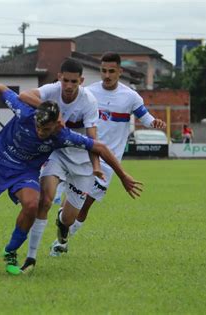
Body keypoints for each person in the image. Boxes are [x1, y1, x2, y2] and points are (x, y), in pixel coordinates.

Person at [0, 81, 143, 275]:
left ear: (56, 126)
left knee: (33, 205)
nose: (41, 132)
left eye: (46, 129)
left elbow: (99, 147)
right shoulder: (23, 112)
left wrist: (122, 175)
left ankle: (10, 251)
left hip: (25, 171)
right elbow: (1, 88)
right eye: (39, 127)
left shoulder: (62, 136)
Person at [21, 52, 166, 271]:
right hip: (76, 151)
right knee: (47, 198)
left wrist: (155, 123)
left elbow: (145, 117)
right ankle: (35, 252)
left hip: (106, 162)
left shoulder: (131, 97)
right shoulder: (89, 93)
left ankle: (64, 232)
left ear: (120, 71)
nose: (107, 75)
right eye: (103, 71)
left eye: (111, 71)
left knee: (81, 208)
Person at [18, 58, 105, 270]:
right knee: (45, 200)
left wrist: (96, 166)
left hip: (82, 163)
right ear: (59, 78)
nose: (68, 86)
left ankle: (62, 224)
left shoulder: (89, 101)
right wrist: (50, 110)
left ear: (81, 81)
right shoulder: (51, 90)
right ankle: (31, 258)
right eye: (65, 80)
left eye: (74, 82)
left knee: (68, 218)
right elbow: (23, 95)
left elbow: (93, 139)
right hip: (56, 154)